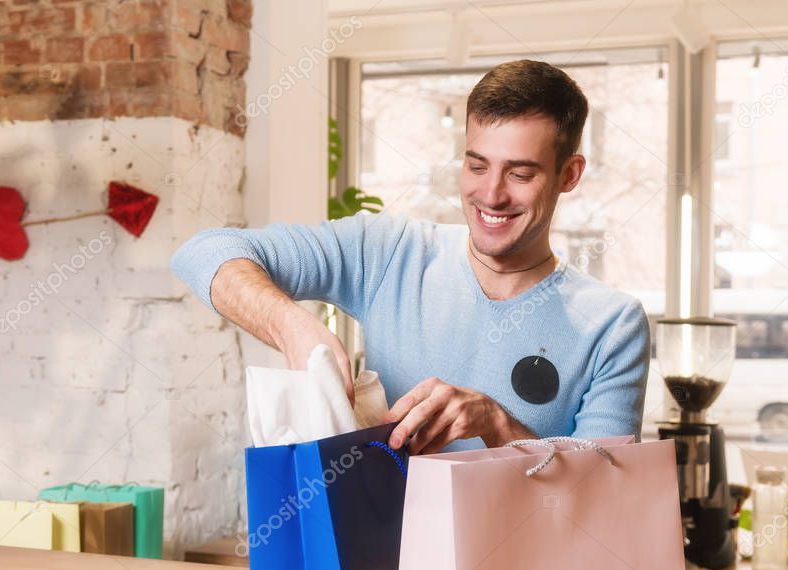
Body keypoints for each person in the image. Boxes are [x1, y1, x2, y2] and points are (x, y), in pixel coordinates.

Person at [172, 59, 650, 454]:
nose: (490, 194)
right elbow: (205, 252)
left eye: (520, 174)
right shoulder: (390, 252)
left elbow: (604, 498)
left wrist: (498, 426)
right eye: (476, 164)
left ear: (569, 173)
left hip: (522, 569)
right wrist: (292, 327)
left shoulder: (612, 325)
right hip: (386, 568)